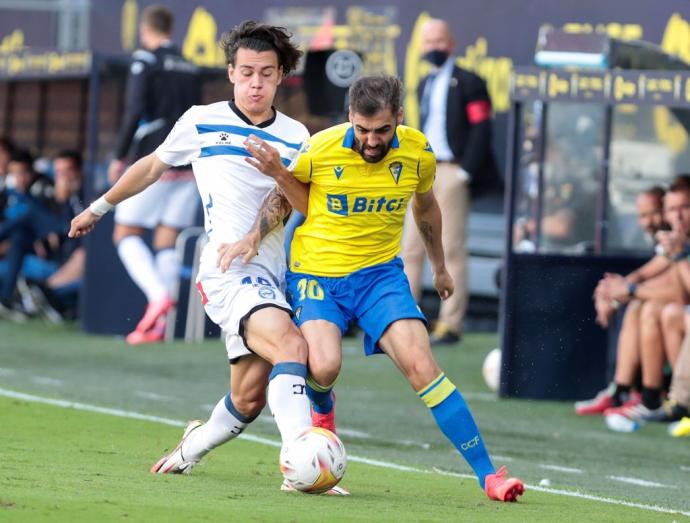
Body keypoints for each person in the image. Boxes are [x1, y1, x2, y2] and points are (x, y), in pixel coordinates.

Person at [69, 21, 346, 494]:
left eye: (266, 73)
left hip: (277, 272)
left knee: (249, 397)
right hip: (227, 272)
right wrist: (100, 206)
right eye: (246, 72)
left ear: (281, 77)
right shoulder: (201, 119)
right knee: (292, 348)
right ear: (231, 73)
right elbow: (153, 166)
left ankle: (190, 447)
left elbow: (305, 205)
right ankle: (303, 461)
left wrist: (279, 175)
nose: (255, 83)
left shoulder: (298, 136)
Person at [233, 75, 523, 501]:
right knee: (325, 366)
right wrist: (254, 233)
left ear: (398, 118)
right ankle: (323, 432)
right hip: (317, 275)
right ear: (351, 116)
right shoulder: (321, 147)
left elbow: (426, 206)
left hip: (380, 277)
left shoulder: (418, 151)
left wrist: (440, 267)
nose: (371, 141)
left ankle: (489, 476)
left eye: (382, 131)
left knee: (424, 368)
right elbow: (290, 199)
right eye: (363, 130)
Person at [401, 18, 500, 345]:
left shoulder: (469, 81)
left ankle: (450, 323)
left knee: (451, 248)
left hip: (453, 171)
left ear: (451, 43)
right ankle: (405, 317)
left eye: (438, 42)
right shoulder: (423, 83)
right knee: (410, 248)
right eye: (428, 43)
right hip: (424, 171)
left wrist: (465, 172)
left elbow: (483, 129)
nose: (433, 48)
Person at [108, 4, 201, 345]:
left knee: (125, 233)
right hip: (189, 163)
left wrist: (119, 156)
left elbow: (134, 110)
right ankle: (159, 326)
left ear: (145, 30)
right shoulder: (190, 65)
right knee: (166, 239)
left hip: (155, 160)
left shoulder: (145, 61)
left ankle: (157, 296)